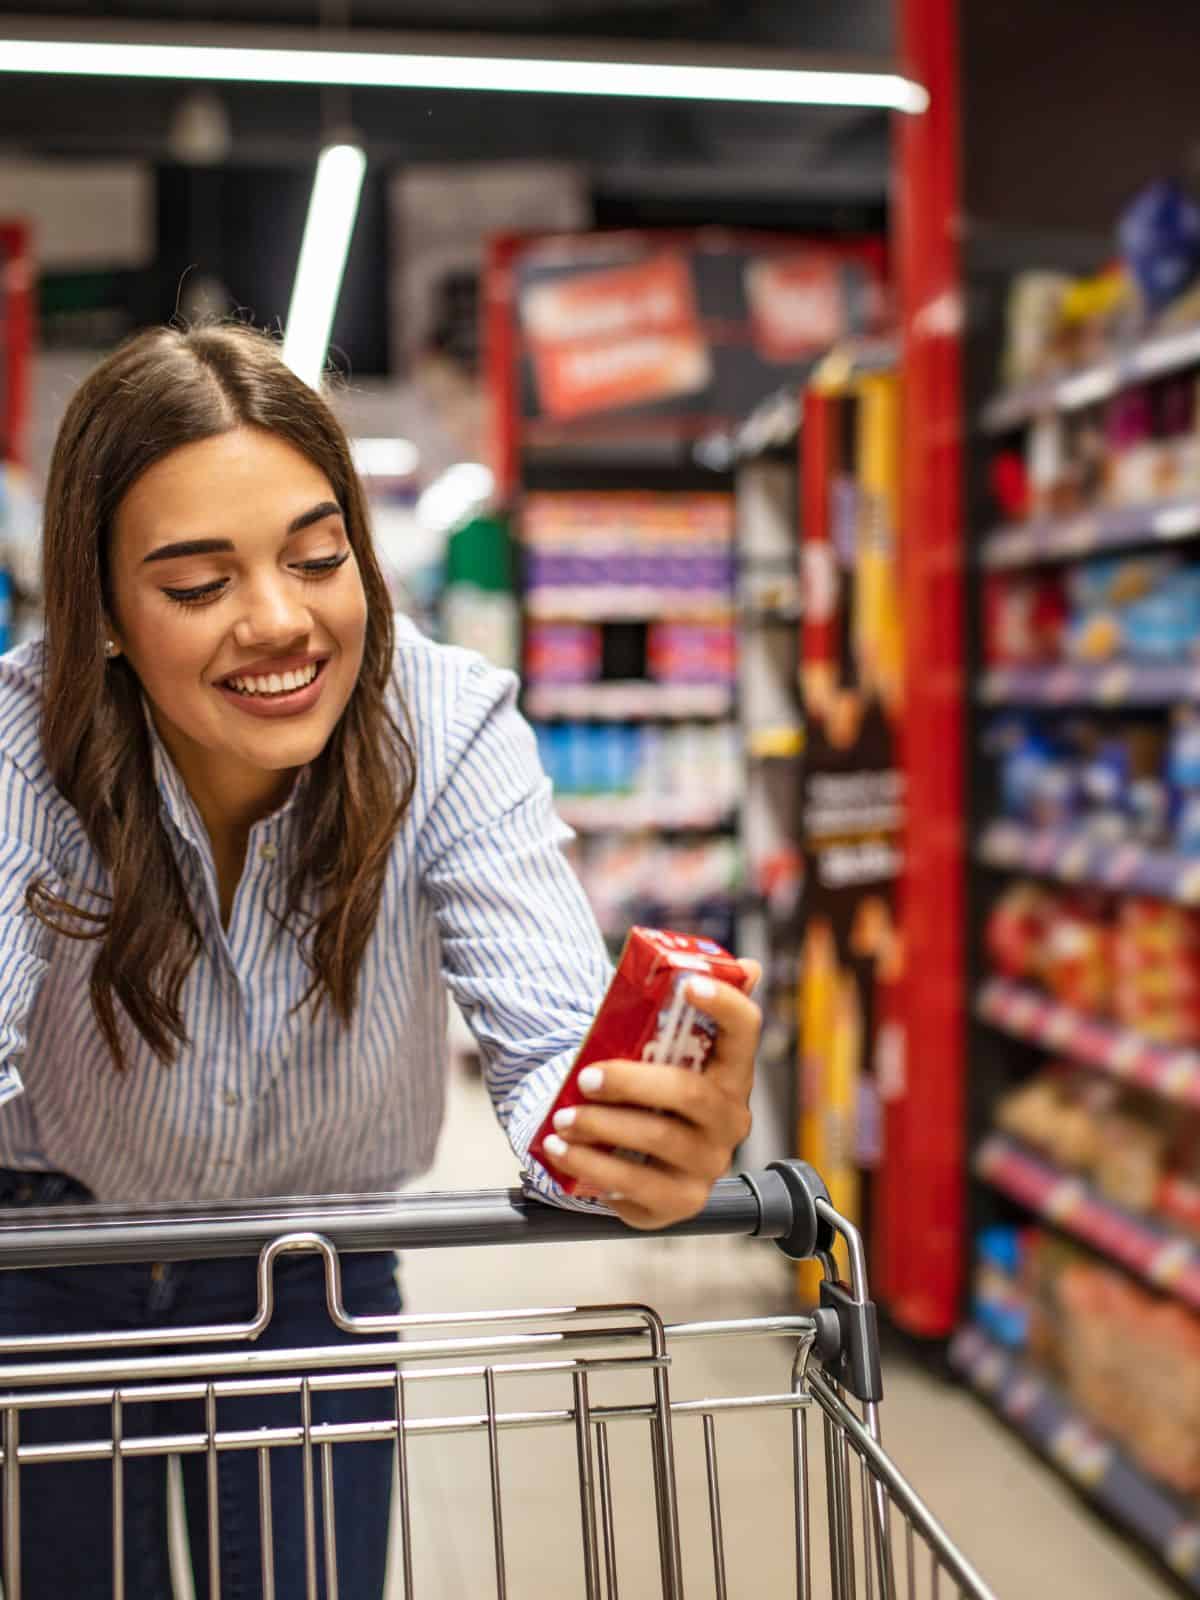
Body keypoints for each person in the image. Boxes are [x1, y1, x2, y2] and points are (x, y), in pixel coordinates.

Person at [0, 323, 761, 1597]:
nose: (281, 621)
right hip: (54, 1265)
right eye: (197, 586)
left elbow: (549, 1052)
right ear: (106, 613)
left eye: (317, 557)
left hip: (316, 1274)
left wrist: (631, 1130)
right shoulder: (22, 749)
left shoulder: (448, 724)